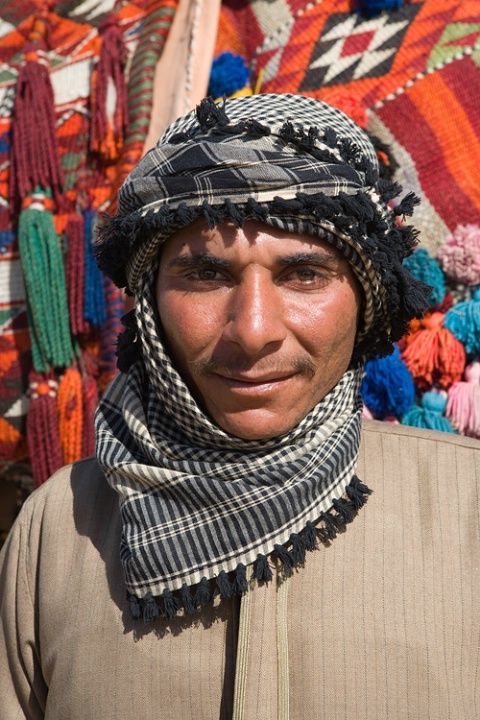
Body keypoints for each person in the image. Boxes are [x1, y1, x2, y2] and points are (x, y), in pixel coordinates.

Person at [1, 93, 479, 720]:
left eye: (304, 275)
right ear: (149, 300)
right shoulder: (55, 535)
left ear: (365, 300)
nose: (253, 331)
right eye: (206, 276)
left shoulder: (467, 508)